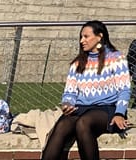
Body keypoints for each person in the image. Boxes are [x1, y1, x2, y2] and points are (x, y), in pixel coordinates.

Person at [42, 21, 131, 160]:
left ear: (99, 36)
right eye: (81, 37)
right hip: (81, 107)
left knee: (83, 123)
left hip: (107, 109)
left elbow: (124, 89)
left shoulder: (116, 58)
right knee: (62, 124)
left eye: (86, 36)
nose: (81, 41)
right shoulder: (78, 63)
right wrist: (67, 104)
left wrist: (120, 113)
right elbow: (69, 92)